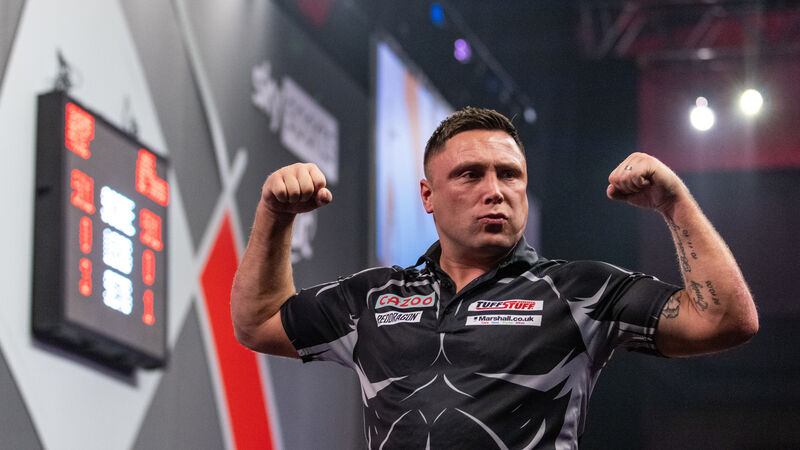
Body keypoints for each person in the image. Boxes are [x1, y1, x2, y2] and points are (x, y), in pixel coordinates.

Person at [230, 107, 758, 449]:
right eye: (470, 174)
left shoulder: (579, 291)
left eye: (509, 174)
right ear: (428, 196)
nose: (495, 190)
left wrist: (673, 202)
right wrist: (275, 214)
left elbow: (725, 320)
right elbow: (257, 322)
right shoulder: (374, 297)